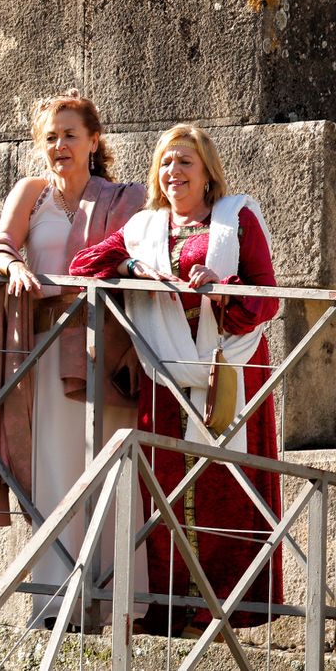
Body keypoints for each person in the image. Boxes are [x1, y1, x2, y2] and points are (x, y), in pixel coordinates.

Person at [70, 124, 281, 632]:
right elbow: (84, 266)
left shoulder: (236, 218)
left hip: (230, 367)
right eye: (166, 162)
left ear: (208, 171)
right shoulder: (146, 227)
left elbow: (269, 298)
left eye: (184, 162)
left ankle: (220, 611)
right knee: (162, 487)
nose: (173, 172)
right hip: (164, 371)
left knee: (226, 487)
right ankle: (169, 610)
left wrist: (223, 289)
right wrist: (132, 269)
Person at [0, 89, 145, 625]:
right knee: (52, 477)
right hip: (43, 356)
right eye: (51, 137)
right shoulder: (31, 192)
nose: (60, 145)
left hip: (105, 356)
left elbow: (141, 258)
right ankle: (55, 603)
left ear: (94, 140)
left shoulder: (125, 198)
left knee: (110, 475)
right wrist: (12, 268)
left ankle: (112, 606)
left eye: (71, 134)